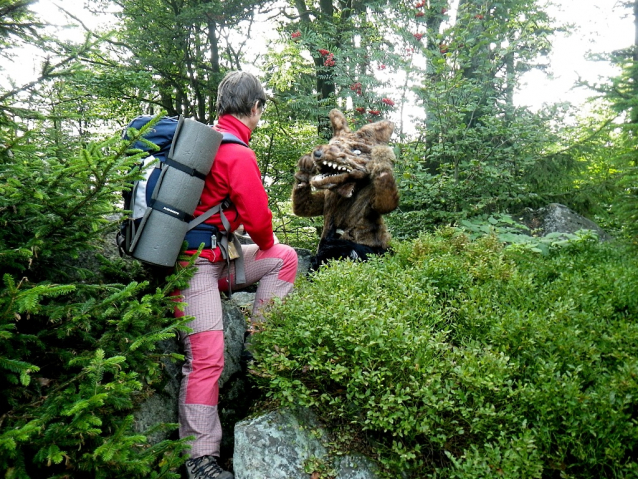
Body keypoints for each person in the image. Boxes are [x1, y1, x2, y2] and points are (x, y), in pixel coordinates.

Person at [173, 71, 298, 479]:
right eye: (262, 108)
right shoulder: (238, 153)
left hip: (209, 260)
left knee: (285, 257)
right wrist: (254, 231)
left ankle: (257, 349)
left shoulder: (201, 142)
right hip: (192, 268)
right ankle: (200, 458)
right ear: (256, 108)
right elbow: (261, 225)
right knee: (207, 358)